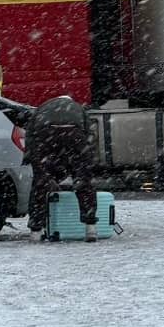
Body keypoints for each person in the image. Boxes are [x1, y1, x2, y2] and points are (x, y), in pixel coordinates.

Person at [25, 95, 99, 242]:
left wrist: (38, 167)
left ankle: (36, 231)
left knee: (40, 184)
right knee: (84, 182)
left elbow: (30, 135)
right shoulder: (78, 109)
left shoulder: (42, 108)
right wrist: (85, 166)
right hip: (75, 134)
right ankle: (90, 228)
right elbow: (91, 135)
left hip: (46, 134)